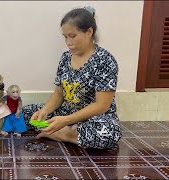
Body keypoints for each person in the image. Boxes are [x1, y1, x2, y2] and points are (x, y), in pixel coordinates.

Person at [22, 6, 121, 149]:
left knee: (109, 133)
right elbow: (58, 93)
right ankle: (66, 132)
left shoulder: (105, 60)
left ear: (89, 32)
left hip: (94, 118)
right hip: (66, 112)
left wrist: (65, 121)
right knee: (26, 113)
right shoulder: (65, 58)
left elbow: (102, 105)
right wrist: (45, 111)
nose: (68, 42)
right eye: (65, 37)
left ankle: (64, 134)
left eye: (72, 36)